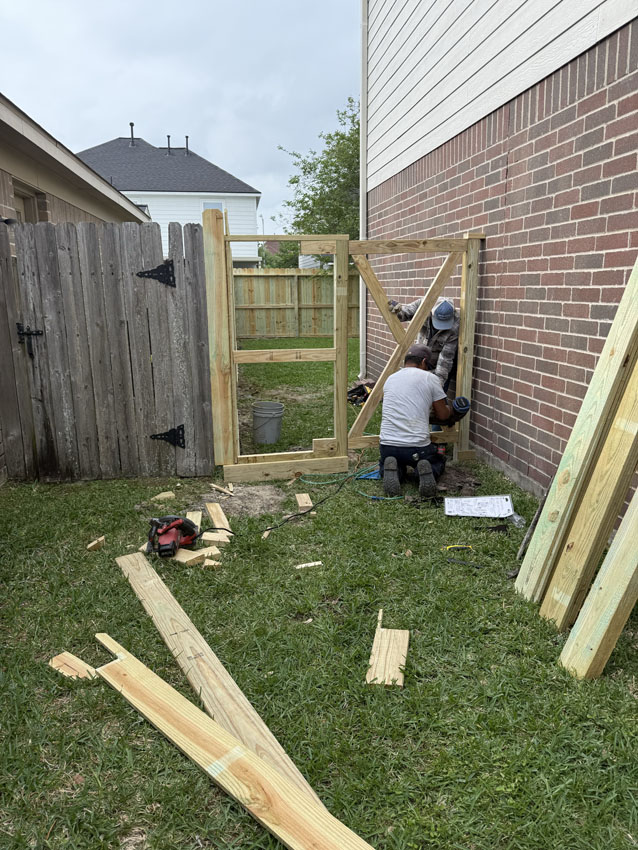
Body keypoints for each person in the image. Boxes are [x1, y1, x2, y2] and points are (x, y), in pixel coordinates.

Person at [379, 343, 452, 498]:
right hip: (417, 448)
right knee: (437, 459)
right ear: (424, 362)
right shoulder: (430, 378)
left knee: (389, 460)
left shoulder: (390, 379)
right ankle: (424, 470)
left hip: (387, 445)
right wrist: (451, 409)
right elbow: (443, 415)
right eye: (427, 365)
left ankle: (393, 469)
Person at [388, 295, 460, 390]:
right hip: (420, 358)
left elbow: (445, 359)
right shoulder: (423, 305)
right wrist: (395, 310)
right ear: (431, 312)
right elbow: (403, 315)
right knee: (414, 389)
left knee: (438, 394)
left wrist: (437, 385)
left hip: (437, 363)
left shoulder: (455, 325)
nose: (439, 327)